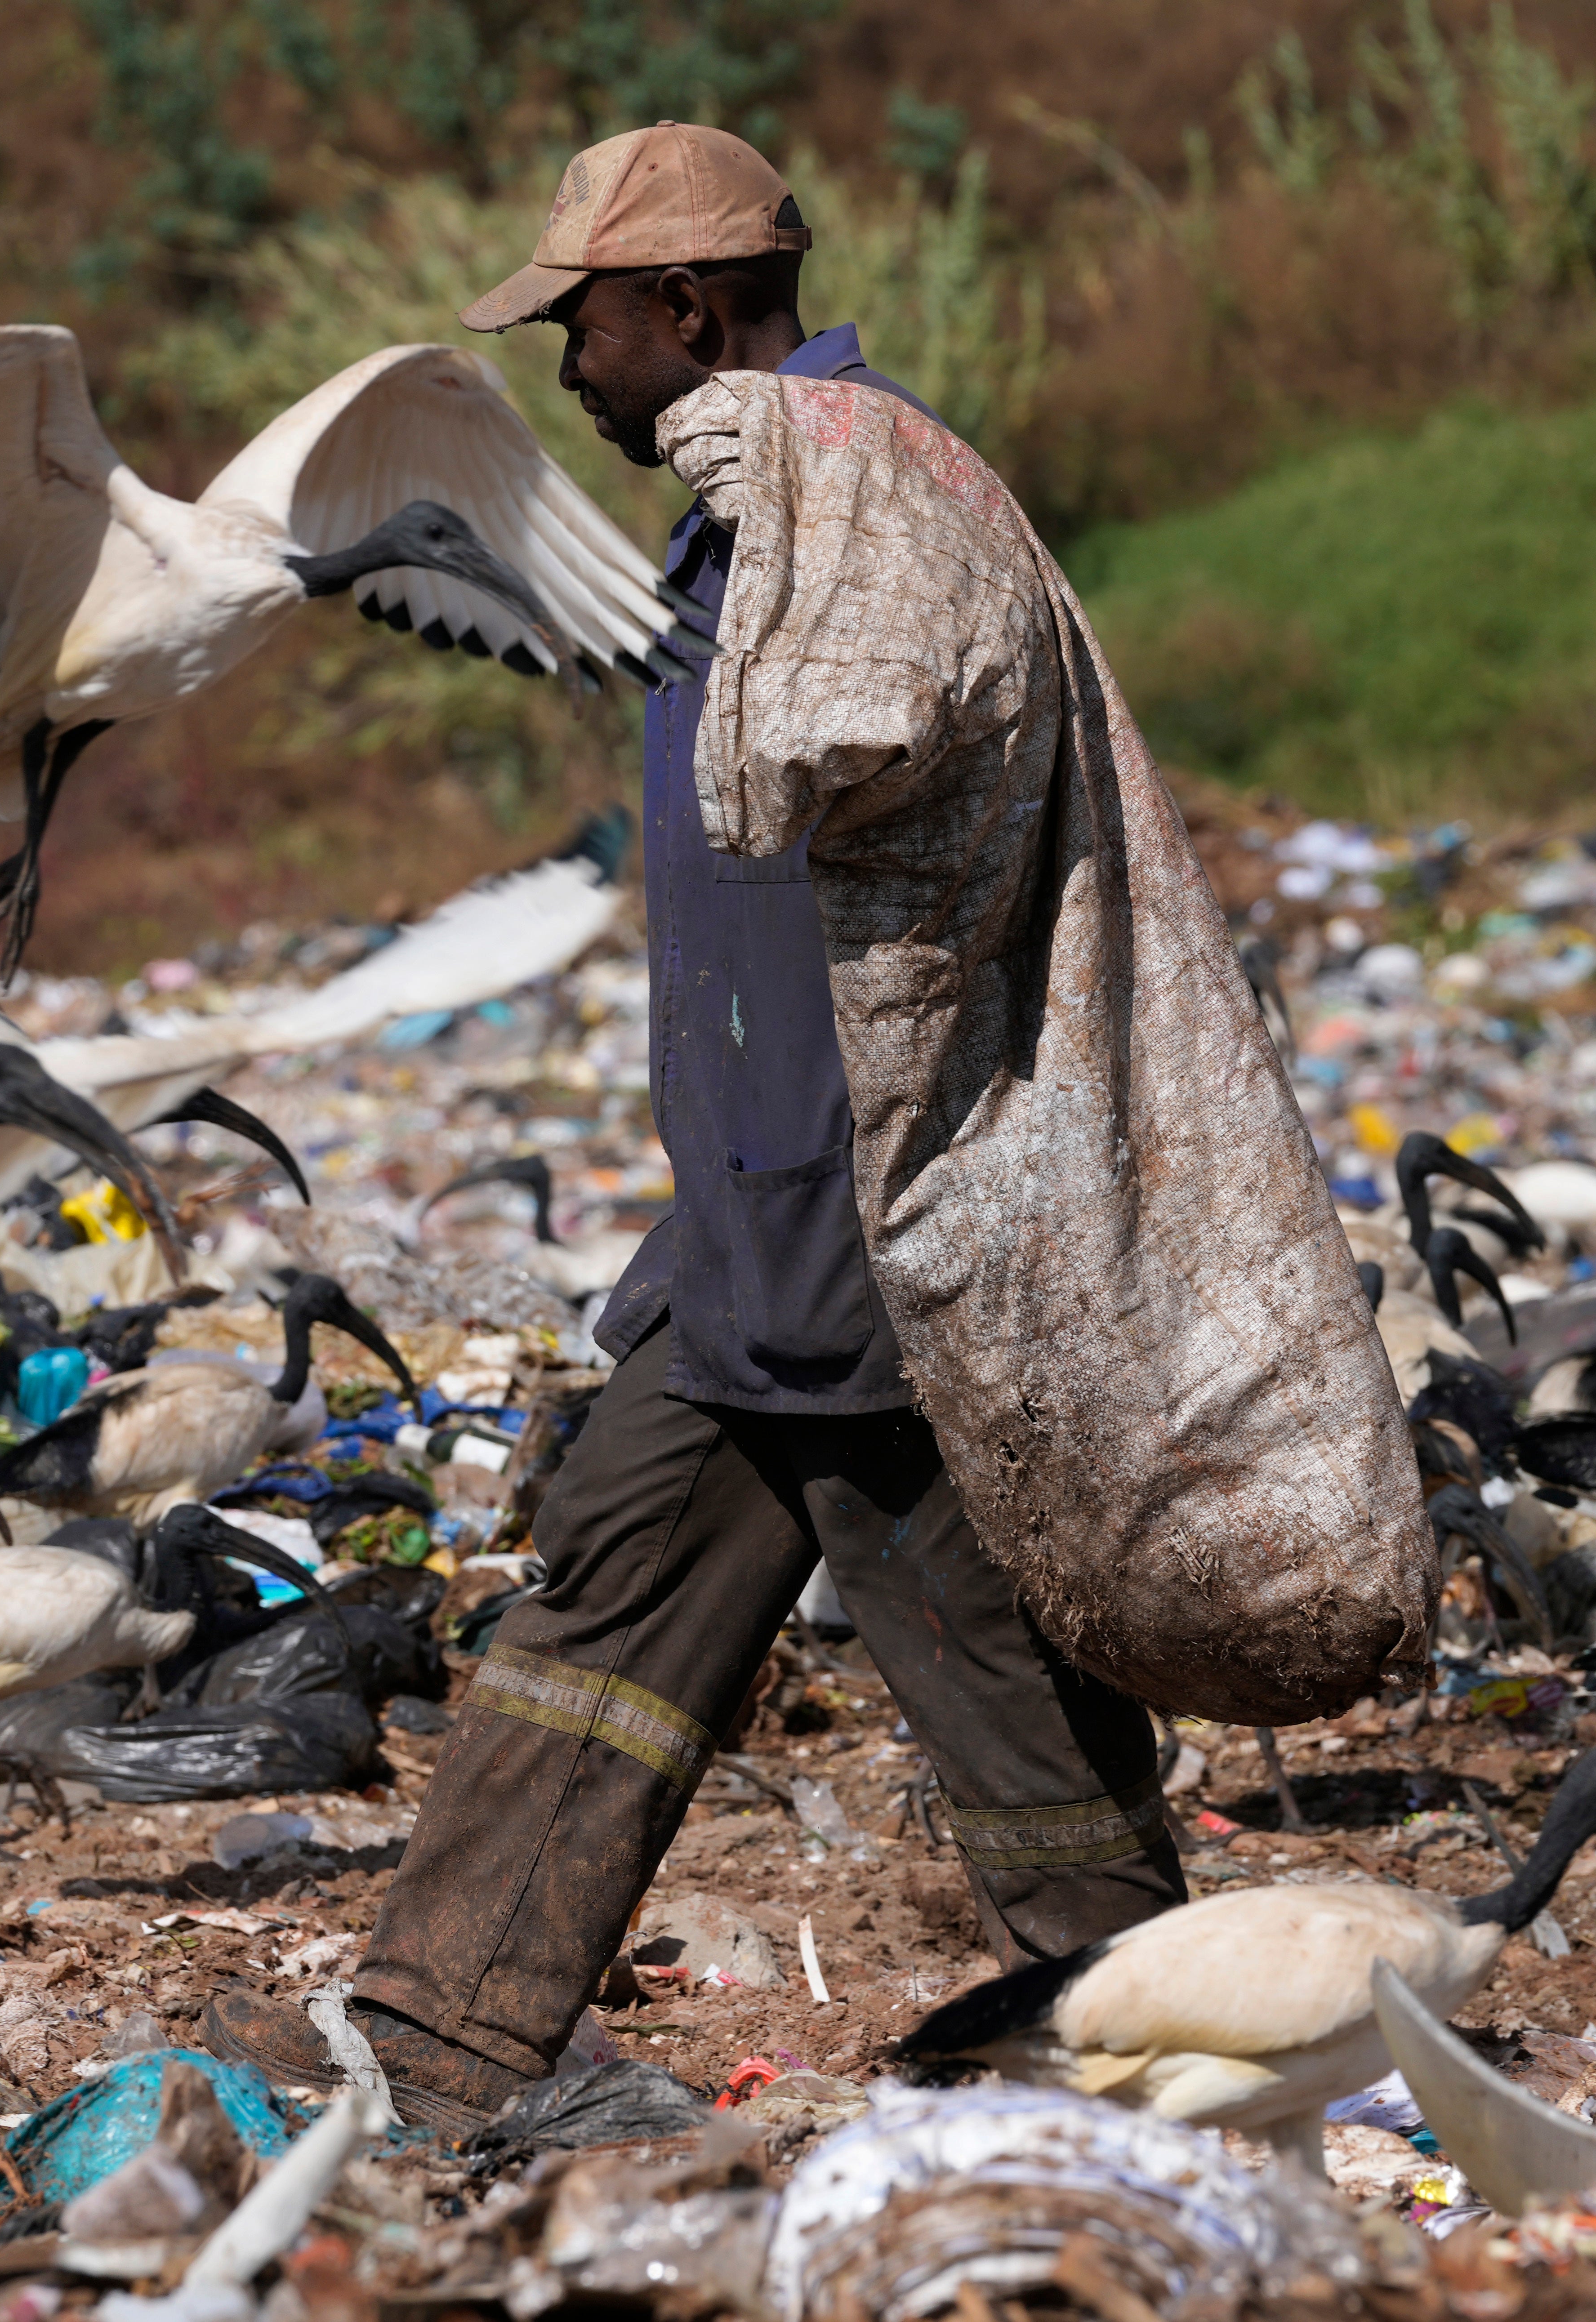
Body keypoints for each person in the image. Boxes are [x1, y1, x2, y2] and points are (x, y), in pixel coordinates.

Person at [340, 122, 1193, 2134]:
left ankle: (1169, 2072)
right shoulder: (751, 510)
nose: (572, 371)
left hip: (882, 1235)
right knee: (605, 1607)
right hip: (748, 1227)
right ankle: (432, 2053)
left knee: (1001, 1679)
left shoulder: (867, 502)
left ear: (689, 308)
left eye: (584, 328)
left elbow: (912, 768)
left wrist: (864, 1201)